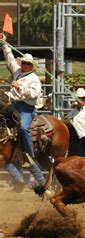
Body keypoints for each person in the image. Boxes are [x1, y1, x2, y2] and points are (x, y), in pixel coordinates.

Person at [0, 33, 46, 191]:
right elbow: (10, 58)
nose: (25, 65)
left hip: (26, 108)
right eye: (24, 63)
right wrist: (4, 43)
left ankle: (29, 153)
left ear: (31, 66)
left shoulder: (34, 79)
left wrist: (20, 87)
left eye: (27, 63)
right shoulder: (18, 71)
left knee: (22, 127)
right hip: (12, 105)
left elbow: (34, 94)